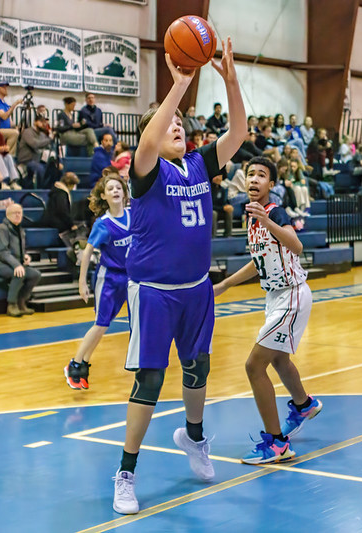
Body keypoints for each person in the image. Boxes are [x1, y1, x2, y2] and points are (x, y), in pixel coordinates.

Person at [111, 39, 247, 515]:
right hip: (154, 292)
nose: (177, 127)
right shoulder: (146, 171)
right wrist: (180, 86)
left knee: (198, 368)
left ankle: (193, 437)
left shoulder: (198, 164)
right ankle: (126, 472)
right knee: (150, 379)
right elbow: (149, 141)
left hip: (196, 289)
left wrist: (231, 82)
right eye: (169, 123)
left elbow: (239, 132)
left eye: (181, 124)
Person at [213, 157, 322, 464]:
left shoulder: (275, 212)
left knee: (254, 365)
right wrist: (226, 284)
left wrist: (268, 221)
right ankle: (303, 405)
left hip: (292, 295)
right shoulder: (252, 220)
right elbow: (258, 261)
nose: (254, 179)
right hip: (275, 297)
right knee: (278, 359)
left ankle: (276, 444)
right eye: (250, 174)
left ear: (271, 184)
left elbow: (296, 246)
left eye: (261, 175)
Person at [64, 174, 131, 390]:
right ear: (103, 196)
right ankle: (75, 364)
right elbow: (87, 252)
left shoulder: (134, 215)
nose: (115, 191)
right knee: (101, 324)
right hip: (109, 278)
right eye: (110, 189)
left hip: (132, 277)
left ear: (124, 192)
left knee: (131, 322)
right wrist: (82, 282)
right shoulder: (103, 224)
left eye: (118, 187)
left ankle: (84, 363)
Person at [0, 203, 39, 317]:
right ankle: (11, 305)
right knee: (19, 273)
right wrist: (17, 265)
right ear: (7, 215)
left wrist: (25, 256)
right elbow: (2, 252)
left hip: (15, 264)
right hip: (1, 265)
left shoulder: (20, 230)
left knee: (35, 275)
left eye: (20, 213)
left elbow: (19, 249)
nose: (18, 215)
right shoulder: (1, 230)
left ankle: (21, 302)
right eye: (15, 213)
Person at [18, 115, 53, 188]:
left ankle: (48, 189)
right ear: (35, 122)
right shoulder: (28, 132)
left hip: (39, 160)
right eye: (41, 122)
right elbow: (35, 144)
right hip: (27, 160)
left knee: (53, 168)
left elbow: (48, 146)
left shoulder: (42, 135)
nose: (44, 124)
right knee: (40, 169)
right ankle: (40, 190)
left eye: (45, 122)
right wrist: (49, 139)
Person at [0, 82, 22, 155]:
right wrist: (15, 104)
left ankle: (10, 155)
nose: (6, 89)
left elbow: (10, 121)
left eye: (6, 87)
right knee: (14, 133)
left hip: (6, 129)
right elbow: (4, 116)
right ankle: (7, 155)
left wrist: (16, 126)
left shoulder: (5, 104)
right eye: (3, 87)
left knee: (17, 132)